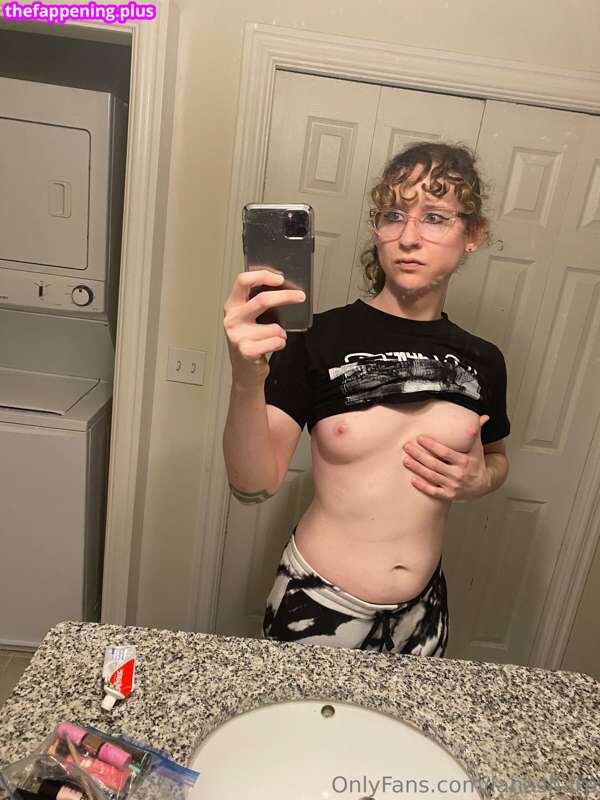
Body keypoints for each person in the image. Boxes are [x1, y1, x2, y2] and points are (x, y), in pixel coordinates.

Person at [222, 142, 510, 657]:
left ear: (474, 234)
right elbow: (252, 485)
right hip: (319, 601)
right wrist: (246, 379)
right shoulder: (316, 338)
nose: (408, 237)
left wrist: (481, 479)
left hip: (424, 614)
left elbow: (496, 457)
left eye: (435, 217)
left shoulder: (483, 359)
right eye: (394, 215)